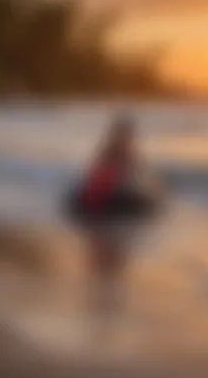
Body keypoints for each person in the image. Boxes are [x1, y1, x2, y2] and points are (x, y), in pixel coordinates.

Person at [66, 114, 160, 331]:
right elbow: (101, 177)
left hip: (106, 203)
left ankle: (106, 287)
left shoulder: (118, 153)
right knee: (109, 260)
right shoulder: (117, 153)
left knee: (110, 260)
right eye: (125, 134)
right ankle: (105, 291)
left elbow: (135, 179)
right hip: (105, 202)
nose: (126, 138)